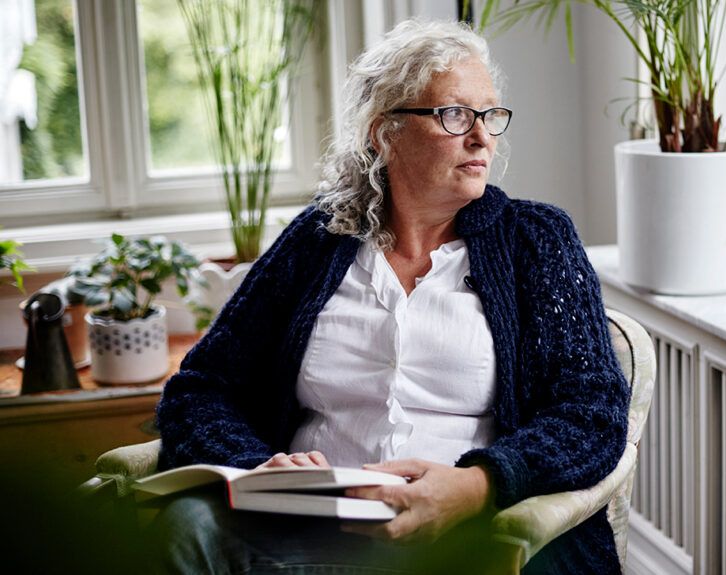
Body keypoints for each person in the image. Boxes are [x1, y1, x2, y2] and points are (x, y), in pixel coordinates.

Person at [149, 18, 629, 575]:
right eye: (454, 115)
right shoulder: (315, 241)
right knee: (187, 526)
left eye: (490, 115)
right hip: (308, 533)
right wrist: (262, 468)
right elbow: (201, 390)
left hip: (470, 536)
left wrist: (478, 485)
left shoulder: (537, 240)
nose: (482, 137)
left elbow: (592, 413)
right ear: (384, 132)